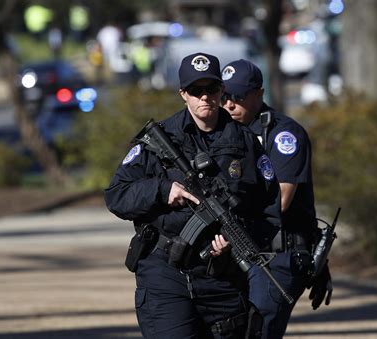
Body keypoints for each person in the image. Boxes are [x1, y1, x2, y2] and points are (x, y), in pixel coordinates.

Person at [105, 52, 282, 338]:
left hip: (223, 280)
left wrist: (238, 240)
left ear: (221, 90)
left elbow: (269, 207)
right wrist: (163, 191)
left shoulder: (245, 142)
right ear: (182, 94)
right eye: (195, 90)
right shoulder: (159, 140)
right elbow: (117, 195)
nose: (204, 97)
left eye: (211, 89)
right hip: (165, 273)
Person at [221, 59, 333, 338]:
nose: (229, 104)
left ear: (259, 94)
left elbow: (279, 201)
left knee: (257, 330)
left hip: (278, 254)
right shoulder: (223, 134)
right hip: (236, 252)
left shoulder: (283, 133)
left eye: (237, 96)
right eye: (223, 96)